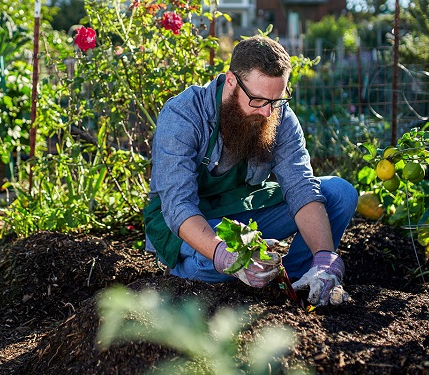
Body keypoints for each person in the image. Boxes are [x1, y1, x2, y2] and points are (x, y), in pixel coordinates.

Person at [143, 35, 358, 306]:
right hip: (185, 221)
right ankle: (183, 275)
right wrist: (225, 255)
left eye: (276, 100)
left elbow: (300, 185)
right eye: (257, 100)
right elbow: (178, 205)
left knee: (340, 193)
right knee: (218, 262)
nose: (268, 112)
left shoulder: (278, 115)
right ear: (231, 81)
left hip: (241, 211)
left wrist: (325, 257)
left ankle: (297, 282)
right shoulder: (184, 115)